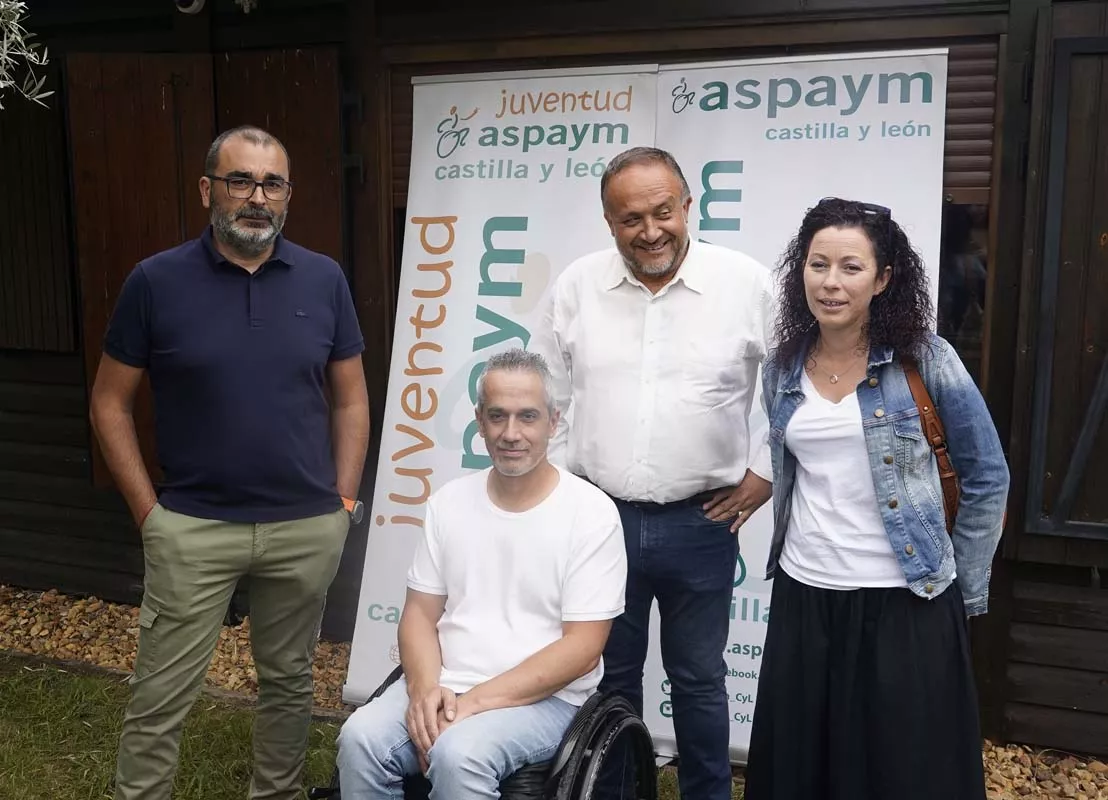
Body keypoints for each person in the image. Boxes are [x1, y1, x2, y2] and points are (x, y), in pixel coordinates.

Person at [89, 125, 371, 800]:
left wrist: (343, 504)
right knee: (161, 694)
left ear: (288, 196)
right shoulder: (155, 282)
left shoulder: (323, 278)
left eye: (272, 184)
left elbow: (351, 400)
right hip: (193, 526)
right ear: (208, 188)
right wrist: (149, 516)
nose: (257, 198)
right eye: (240, 180)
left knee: (288, 683)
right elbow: (108, 404)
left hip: (305, 525)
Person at [529, 146, 774, 800]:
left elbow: (793, 384)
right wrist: (560, 493)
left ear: (688, 205)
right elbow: (542, 395)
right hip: (599, 521)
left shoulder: (746, 285)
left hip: (703, 522)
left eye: (663, 211)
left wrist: (766, 470)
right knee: (609, 679)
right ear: (608, 223)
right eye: (630, 218)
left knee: (698, 679)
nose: (650, 230)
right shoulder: (578, 285)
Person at [745, 197, 1010, 800]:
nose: (831, 283)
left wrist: (960, 593)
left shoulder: (925, 359)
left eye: (850, 267)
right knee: (802, 768)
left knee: (903, 770)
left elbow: (988, 476)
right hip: (806, 593)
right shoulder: (782, 367)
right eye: (817, 265)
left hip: (905, 598)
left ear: (884, 278)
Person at [336, 348, 627, 799]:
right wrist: (426, 692)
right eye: (498, 416)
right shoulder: (449, 503)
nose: (511, 433)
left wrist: (470, 705)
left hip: (549, 700)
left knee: (458, 752)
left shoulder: (591, 514)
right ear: (479, 420)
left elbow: (584, 649)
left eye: (527, 417)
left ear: (554, 420)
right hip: (448, 681)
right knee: (360, 739)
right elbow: (417, 615)